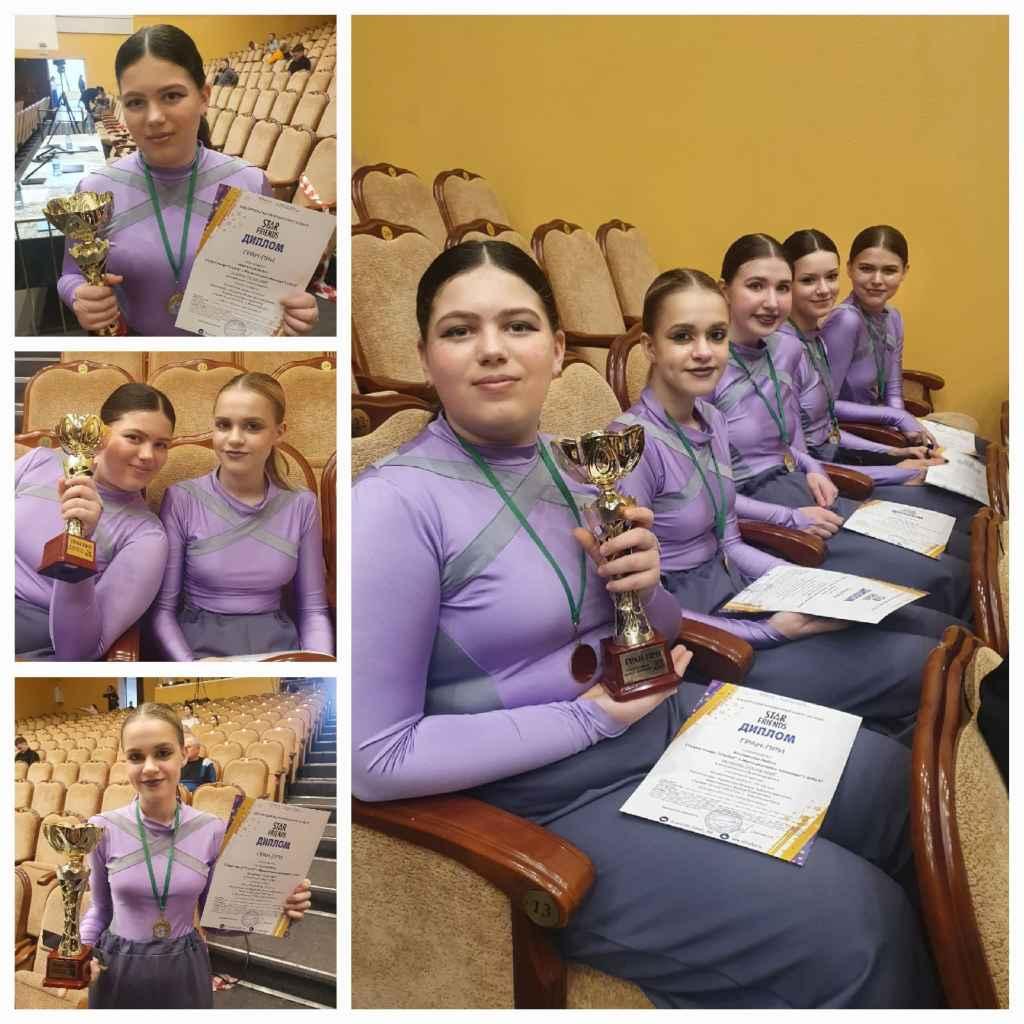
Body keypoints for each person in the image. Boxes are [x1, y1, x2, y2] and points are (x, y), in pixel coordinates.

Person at [353, 240, 941, 1008]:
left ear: (557, 348)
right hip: (550, 802)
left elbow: (653, 631)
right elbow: (376, 758)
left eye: (519, 326)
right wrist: (588, 721)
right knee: (862, 927)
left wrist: (648, 582)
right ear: (425, 357)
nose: (492, 349)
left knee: (894, 786)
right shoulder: (392, 505)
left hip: (663, 722)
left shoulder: (574, 468)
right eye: (460, 330)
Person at [610, 267, 945, 734]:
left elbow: (730, 544)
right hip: (705, 638)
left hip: (745, 591)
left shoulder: (710, 418)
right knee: (925, 662)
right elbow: (635, 608)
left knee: (924, 625)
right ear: (650, 346)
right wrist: (767, 631)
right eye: (683, 336)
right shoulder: (627, 446)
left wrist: (805, 585)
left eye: (716, 335)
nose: (704, 351)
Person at [711, 232, 970, 619]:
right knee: (943, 577)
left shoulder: (786, 349)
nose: (772, 301)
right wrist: (792, 516)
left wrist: (815, 468)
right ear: (724, 290)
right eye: (756, 286)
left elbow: (794, 444)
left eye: (782, 287)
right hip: (764, 511)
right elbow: (707, 493)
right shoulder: (704, 367)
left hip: (806, 487)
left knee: (956, 554)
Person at [56, 24, 320, 337]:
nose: (154, 117)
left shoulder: (249, 183)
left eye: (172, 96)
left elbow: (273, 286)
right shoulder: (95, 191)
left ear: (204, 97)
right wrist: (78, 296)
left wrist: (295, 311)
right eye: (135, 102)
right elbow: (70, 274)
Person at [80, 703, 311, 1008]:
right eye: (136, 757)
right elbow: (100, 909)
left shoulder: (211, 830)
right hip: (118, 967)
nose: (149, 767)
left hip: (184, 967)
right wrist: (81, 952)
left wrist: (278, 907)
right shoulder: (102, 828)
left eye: (163, 753)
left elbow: (215, 921)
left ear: (183, 755)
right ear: (125, 762)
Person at [781, 228, 981, 530]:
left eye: (830, 277)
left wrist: (894, 451)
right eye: (808, 280)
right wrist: (895, 458)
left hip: (839, 456)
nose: (823, 290)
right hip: (825, 477)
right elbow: (799, 455)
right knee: (962, 517)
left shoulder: (814, 339)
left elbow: (826, 429)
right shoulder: (795, 345)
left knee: (971, 482)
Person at [150, 372, 333, 660]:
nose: (234, 439)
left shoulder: (302, 504)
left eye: (252, 426)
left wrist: (317, 663)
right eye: (224, 425)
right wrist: (190, 666)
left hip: (277, 648)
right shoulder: (181, 499)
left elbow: (314, 611)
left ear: (279, 432)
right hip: (199, 648)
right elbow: (163, 612)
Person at [16, 384, 175, 660]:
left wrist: (80, 541)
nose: (148, 455)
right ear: (100, 434)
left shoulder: (147, 536)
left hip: (29, 639)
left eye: (161, 445)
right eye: (134, 437)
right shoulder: (38, 461)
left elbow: (78, 651)